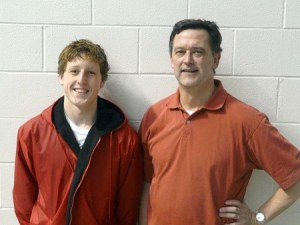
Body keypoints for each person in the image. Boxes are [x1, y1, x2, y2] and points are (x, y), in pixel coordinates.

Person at [139, 19, 300, 225]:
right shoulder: (154, 116)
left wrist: (257, 218)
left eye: (198, 52)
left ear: (215, 59)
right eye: (180, 52)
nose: (187, 60)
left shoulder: (247, 121)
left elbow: (295, 178)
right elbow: (148, 184)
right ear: (172, 59)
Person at [13, 39, 143, 225]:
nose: (81, 80)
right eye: (74, 71)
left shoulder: (125, 140)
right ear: (61, 76)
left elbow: (127, 210)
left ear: (102, 81)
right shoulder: (32, 133)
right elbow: (23, 201)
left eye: (90, 73)